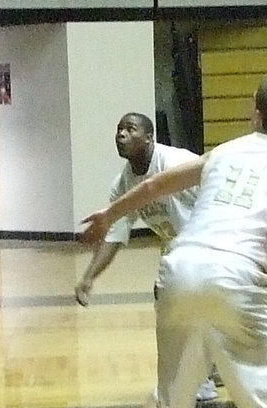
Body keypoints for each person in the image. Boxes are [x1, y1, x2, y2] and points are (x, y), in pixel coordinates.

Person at [81, 77, 267, 408]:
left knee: (173, 400)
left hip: (178, 270)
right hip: (240, 274)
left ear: (256, 115)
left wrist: (109, 214)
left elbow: (152, 187)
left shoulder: (223, 151)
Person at [75, 112, 218, 403]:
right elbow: (115, 233)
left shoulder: (175, 162)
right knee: (176, 309)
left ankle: (200, 380)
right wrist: (89, 276)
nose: (122, 135)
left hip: (213, 245)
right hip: (180, 254)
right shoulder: (124, 183)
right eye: (119, 129)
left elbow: (218, 187)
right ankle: (204, 372)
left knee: (189, 309)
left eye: (130, 129)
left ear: (150, 136)